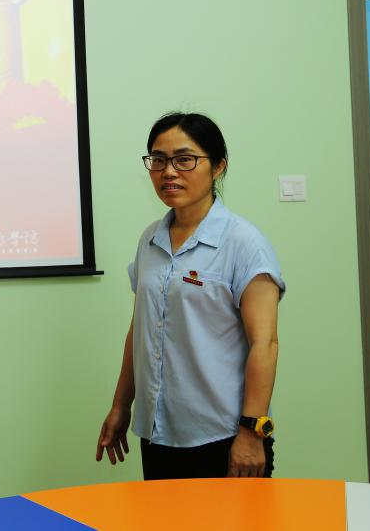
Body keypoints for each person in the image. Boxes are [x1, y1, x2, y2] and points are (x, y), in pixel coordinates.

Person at [95, 112, 284, 479]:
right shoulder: (150, 239)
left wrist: (252, 431)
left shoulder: (244, 243)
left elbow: (265, 344)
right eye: (159, 160)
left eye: (185, 159)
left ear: (218, 167)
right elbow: (141, 329)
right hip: (158, 433)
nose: (169, 172)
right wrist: (121, 405)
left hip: (224, 436)